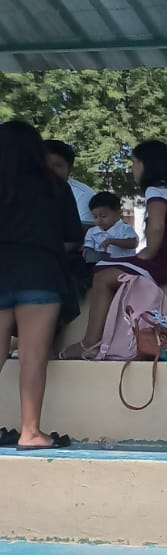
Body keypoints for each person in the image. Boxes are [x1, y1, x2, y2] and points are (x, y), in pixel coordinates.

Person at [66, 139, 167, 358]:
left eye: (134, 163)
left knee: (102, 272)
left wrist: (148, 253)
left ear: (146, 164)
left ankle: (89, 342)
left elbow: (156, 226)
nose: (132, 168)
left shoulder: (157, 190)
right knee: (112, 269)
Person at [0, 120, 83, 450]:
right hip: (39, 273)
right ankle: (31, 433)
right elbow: (73, 237)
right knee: (33, 356)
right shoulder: (54, 185)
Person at [42, 139, 95, 226]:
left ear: (70, 169)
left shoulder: (83, 196)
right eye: (44, 165)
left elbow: (81, 231)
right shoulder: (23, 191)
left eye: (57, 165)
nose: (49, 171)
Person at [83, 193, 138, 262]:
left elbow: (133, 243)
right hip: (100, 263)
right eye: (95, 217)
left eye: (103, 216)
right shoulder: (91, 232)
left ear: (119, 212)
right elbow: (88, 247)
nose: (99, 220)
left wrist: (113, 241)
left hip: (123, 263)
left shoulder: (125, 228)